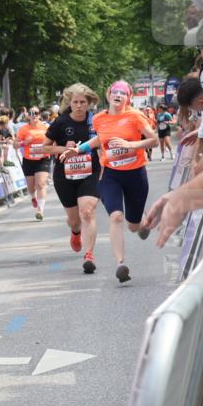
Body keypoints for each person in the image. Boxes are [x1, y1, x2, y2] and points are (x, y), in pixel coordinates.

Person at [63, 80, 157, 283]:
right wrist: (79, 149)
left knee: (132, 226)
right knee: (115, 216)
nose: (118, 95)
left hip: (135, 174)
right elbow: (100, 139)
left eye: (123, 93)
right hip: (110, 175)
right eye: (115, 92)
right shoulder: (98, 119)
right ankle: (121, 264)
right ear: (108, 95)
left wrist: (130, 145)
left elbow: (154, 140)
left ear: (128, 98)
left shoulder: (135, 116)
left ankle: (142, 221)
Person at [44, 83, 101, 274]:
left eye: (82, 102)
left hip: (90, 173)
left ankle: (89, 255)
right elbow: (45, 147)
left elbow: (104, 142)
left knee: (87, 212)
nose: (78, 106)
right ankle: (76, 232)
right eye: (75, 102)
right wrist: (63, 149)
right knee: (74, 220)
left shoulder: (95, 122)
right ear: (70, 102)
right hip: (65, 176)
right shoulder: (61, 122)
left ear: (89, 102)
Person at [17, 106, 52, 220]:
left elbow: (53, 140)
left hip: (43, 159)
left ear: (40, 115)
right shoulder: (24, 129)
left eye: (36, 113)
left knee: (40, 184)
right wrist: (24, 143)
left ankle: (40, 210)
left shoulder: (46, 127)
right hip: (28, 160)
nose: (34, 115)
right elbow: (14, 144)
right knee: (31, 187)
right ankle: (33, 197)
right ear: (28, 115)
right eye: (31, 113)